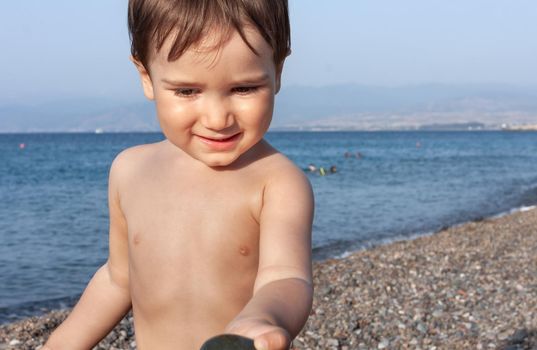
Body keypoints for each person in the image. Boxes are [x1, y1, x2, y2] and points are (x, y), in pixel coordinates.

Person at [43, 1, 314, 349]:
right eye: (187, 91)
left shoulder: (276, 182)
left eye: (243, 88)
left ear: (277, 71)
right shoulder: (130, 170)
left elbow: (286, 277)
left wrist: (263, 317)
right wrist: (60, 343)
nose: (217, 118)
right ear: (147, 78)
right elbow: (117, 279)